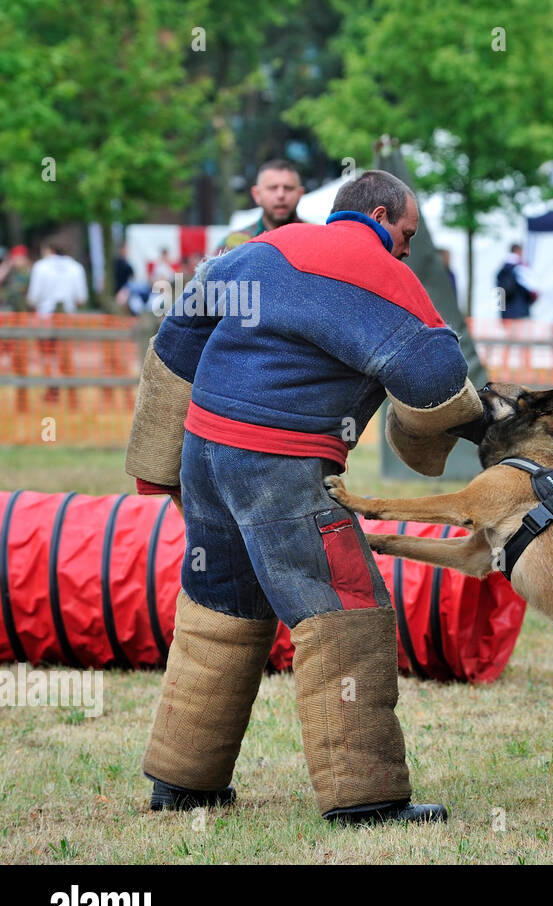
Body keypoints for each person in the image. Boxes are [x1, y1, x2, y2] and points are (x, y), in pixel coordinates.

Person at [125, 168, 484, 826]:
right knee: (346, 614)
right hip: (281, 465)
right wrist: (462, 430)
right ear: (379, 218)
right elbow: (434, 374)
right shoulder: (384, 275)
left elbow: (175, 341)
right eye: (405, 233)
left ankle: (182, 779)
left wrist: (157, 465)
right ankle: (364, 794)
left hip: (206, 454)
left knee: (219, 612)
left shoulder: (262, 252)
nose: (407, 248)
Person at [27, 240, 88, 404]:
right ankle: (72, 394)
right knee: (67, 356)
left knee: (48, 356)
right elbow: (81, 299)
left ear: (48, 249)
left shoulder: (40, 267)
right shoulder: (77, 268)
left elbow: (33, 298)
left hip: (45, 317)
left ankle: (52, 389)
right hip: (67, 317)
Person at [219, 159, 305, 252]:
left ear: (300, 194)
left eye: (288, 188)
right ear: (256, 194)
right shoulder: (233, 245)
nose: (281, 195)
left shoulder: (318, 238)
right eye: (272, 188)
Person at [0, 245, 33, 411]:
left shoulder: (29, 273)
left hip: (21, 322)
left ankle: (22, 401)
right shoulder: (11, 273)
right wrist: (6, 267)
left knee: (20, 361)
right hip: (8, 322)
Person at [497, 243, 536, 320]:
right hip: (519, 311)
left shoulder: (503, 269)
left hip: (507, 312)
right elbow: (530, 288)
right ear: (517, 251)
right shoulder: (519, 268)